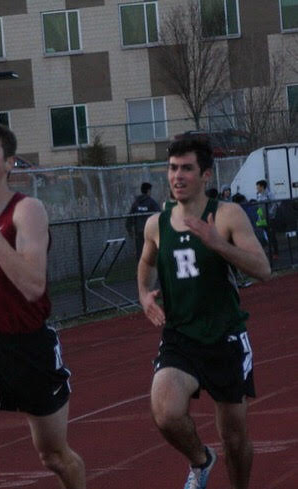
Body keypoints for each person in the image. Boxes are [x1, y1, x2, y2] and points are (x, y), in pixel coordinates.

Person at [0, 121, 85, 489]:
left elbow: (32, 287)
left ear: (9, 163)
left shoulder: (28, 211)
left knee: (54, 457)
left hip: (30, 347)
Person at [138, 138, 271, 489]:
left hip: (224, 337)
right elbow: (145, 263)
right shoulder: (157, 224)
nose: (177, 176)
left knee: (234, 438)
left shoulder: (226, 215)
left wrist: (218, 244)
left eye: (186, 168)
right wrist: (143, 295)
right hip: (180, 336)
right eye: (172, 168)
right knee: (165, 411)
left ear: (205, 174)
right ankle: (201, 460)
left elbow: (263, 268)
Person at [126, 182, 161, 260]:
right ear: (148, 191)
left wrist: (129, 228)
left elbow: (130, 216)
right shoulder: (151, 201)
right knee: (151, 250)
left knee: (140, 251)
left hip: (138, 230)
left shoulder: (136, 202)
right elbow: (159, 213)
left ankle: (141, 266)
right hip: (149, 231)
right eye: (150, 190)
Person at [256, 179, 279, 259]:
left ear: (262, 186)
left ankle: (276, 253)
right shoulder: (258, 195)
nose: (257, 188)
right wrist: (259, 216)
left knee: (272, 235)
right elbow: (259, 207)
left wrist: (270, 213)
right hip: (262, 219)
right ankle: (270, 251)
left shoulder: (269, 194)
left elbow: (275, 204)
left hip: (270, 218)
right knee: (267, 235)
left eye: (258, 187)